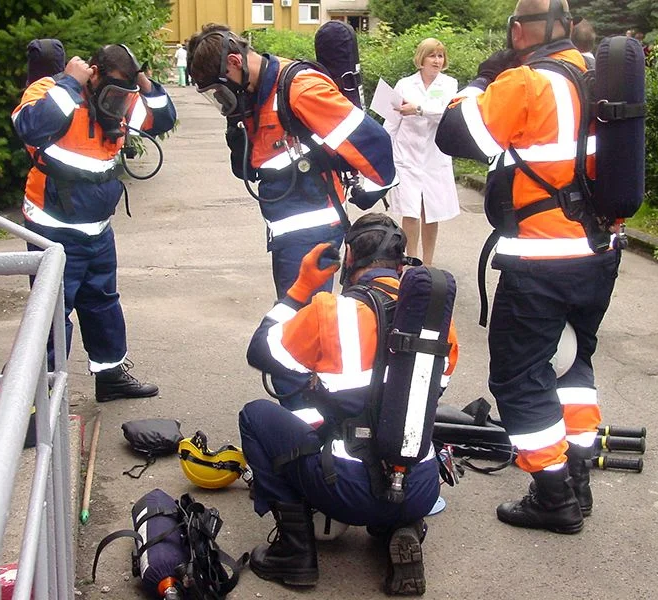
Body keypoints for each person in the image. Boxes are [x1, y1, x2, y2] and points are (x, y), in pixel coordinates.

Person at [436, 0, 622, 534]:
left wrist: (479, 81)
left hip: (543, 260)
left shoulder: (526, 82)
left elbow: (454, 133)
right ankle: (577, 476)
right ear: (568, 27)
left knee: (519, 378)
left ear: (518, 31)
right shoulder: (594, 74)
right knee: (573, 363)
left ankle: (552, 495)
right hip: (599, 252)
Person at [239, 213, 458, 595]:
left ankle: (294, 553)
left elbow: (259, 351)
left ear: (350, 257)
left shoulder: (331, 312)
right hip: (421, 487)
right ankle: (400, 524)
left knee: (255, 416)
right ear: (401, 261)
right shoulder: (437, 321)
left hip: (347, 490)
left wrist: (300, 288)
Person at [187, 24, 397, 407]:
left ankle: (304, 423)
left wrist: (373, 188)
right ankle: (314, 411)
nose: (223, 98)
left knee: (296, 332)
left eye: (220, 88)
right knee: (305, 325)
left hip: (312, 235)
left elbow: (374, 142)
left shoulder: (299, 89)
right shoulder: (256, 92)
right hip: (288, 234)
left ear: (235, 61)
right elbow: (252, 163)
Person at [12, 44, 177, 402]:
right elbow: (30, 127)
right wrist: (71, 84)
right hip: (53, 230)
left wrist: (145, 85)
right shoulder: (50, 90)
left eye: (125, 91)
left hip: (98, 229)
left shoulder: (121, 100)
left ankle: (110, 376)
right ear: (95, 72)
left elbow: (162, 120)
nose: (120, 99)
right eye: (115, 89)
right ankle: (40, 394)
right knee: (52, 313)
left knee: (103, 304)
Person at [382, 38, 459, 267]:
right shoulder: (404, 84)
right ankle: (412, 261)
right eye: (432, 55)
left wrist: (418, 109)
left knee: (431, 211)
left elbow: (446, 112)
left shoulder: (449, 84)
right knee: (410, 211)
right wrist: (383, 152)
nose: (437, 60)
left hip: (434, 157)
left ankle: (428, 264)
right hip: (407, 156)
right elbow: (391, 121)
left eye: (440, 56)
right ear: (421, 59)